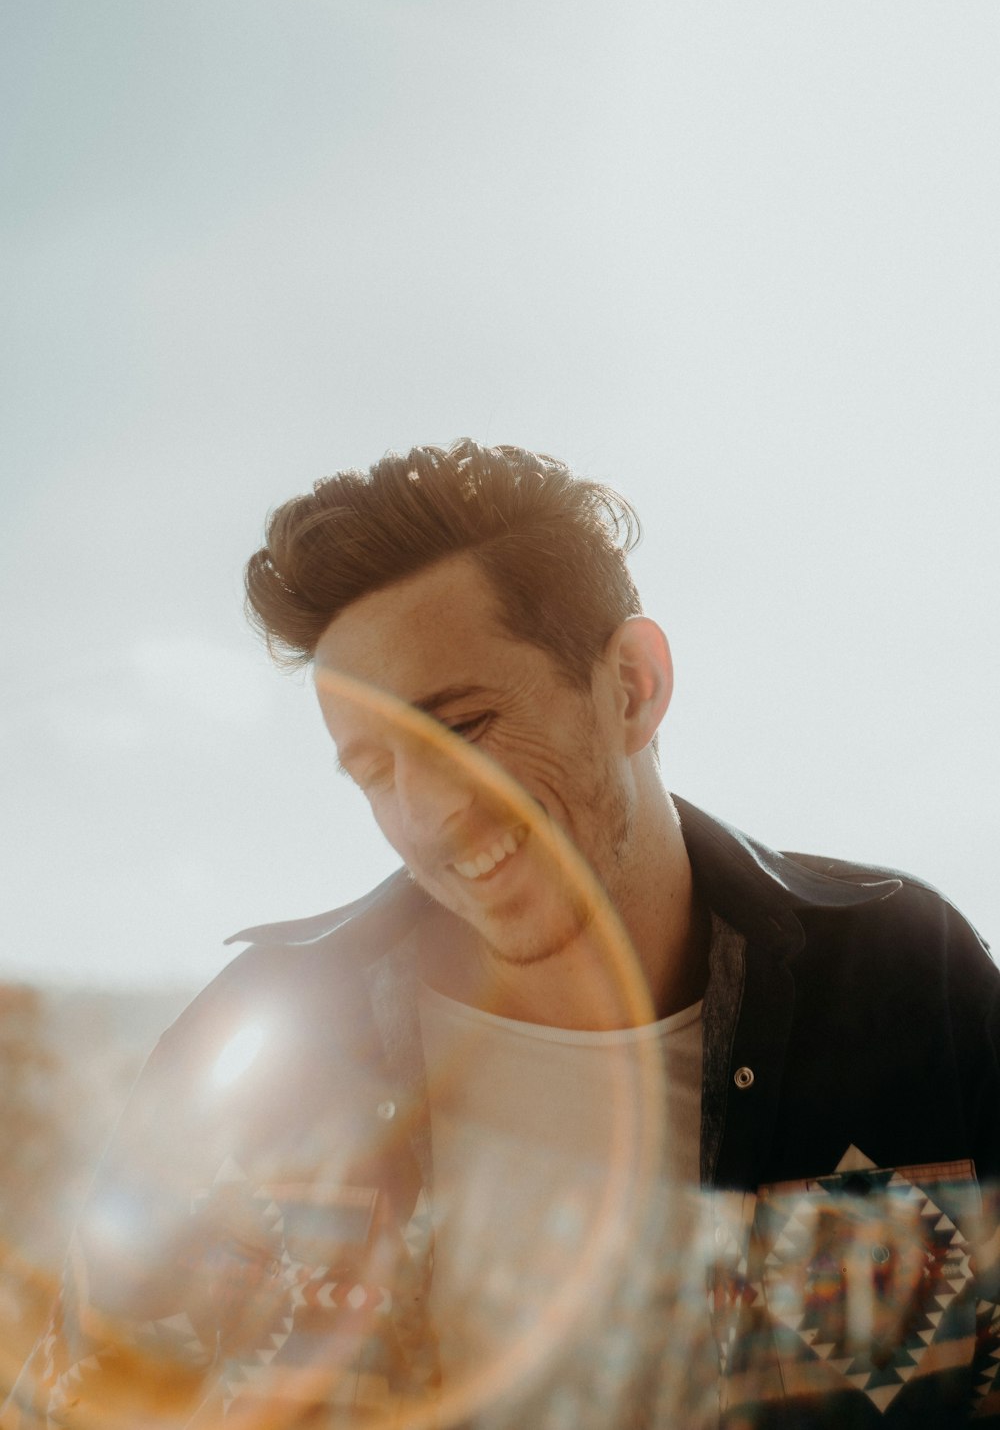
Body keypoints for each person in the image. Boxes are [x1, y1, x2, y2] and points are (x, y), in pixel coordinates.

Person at [7, 440, 1000, 1428]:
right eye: (374, 768)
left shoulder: (904, 988)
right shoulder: (257, 1050)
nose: (426, 812)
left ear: (631, 687)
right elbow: (82, 1400)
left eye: (464, 727)